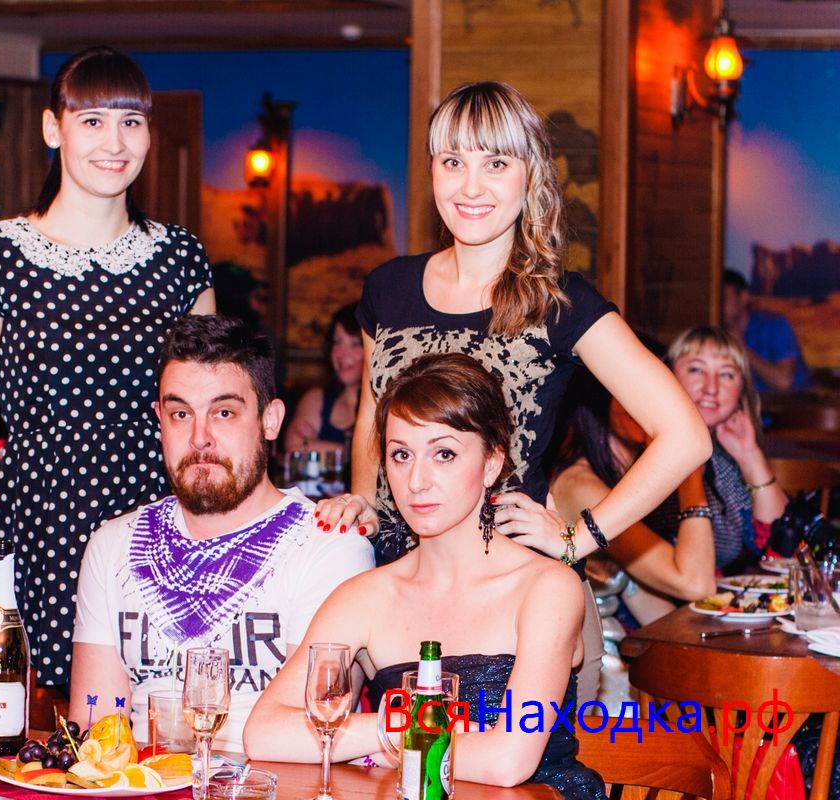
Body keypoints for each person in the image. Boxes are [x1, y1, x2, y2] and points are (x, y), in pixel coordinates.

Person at [316, 80, 709, 572]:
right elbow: (373, 416)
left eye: (496, 164)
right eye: (453, 162)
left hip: (509, 580)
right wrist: (363, 500)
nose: (470, 187)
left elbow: (686, 436)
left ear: (530, 175)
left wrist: (577, 537)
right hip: (397, 573)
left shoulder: (560, 302)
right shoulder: (388, 287)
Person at [0, 46, 215, 689]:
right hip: (41, 526)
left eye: (131, 121)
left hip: (159, 525)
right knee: (37, 717)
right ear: (52, 128)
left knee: (164, 716)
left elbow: (208, 418)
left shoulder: (180, 258)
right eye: (92, 120)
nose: (114, 142)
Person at [246, 353, 605, 800]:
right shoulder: (367, 595)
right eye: (401, 455)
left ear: (492, 463)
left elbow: (508, 761)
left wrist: (371, 748)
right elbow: (264, 732)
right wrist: (391, 730)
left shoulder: (547, 587)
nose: (416, 480)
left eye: (444, 454)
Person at [68, 315, 373, 751]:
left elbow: (320, 730)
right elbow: (97, 732)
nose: (199, 438)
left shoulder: (329, 544)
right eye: (180, 414)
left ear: (270, 420)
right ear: (159, 420)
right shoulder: (112, 545)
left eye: (224, 413)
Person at [549, 366, 716, 625]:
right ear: (603, 396)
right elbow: (695, 584)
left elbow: (655, 607)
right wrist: (689, 469)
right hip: (594, 646)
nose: (653, 404)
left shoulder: (625, 478)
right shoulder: (580, 487)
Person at [659, 326, 789, 574]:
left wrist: (750, 457)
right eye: (696, 370)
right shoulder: (644, 452)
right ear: (667, 375)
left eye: (727, 374)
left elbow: (781, 548)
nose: (711, 387)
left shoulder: (722, 461)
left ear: (741, 392)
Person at [283, 303, 361, 454]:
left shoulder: (387, 404)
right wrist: (351, 454)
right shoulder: (317, 399)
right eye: (337, 342)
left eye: (355, 344)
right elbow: (294, 446)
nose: (342, 353)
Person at [722, 269, 811, 394]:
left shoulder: (775, 325)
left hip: (794, 403)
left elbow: (784, 382)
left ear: (743, 297)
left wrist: (741, 348)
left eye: (723, 298)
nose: (717, 304)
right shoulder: (716, 332)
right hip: (754, 403)